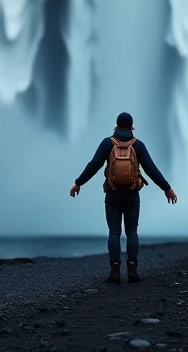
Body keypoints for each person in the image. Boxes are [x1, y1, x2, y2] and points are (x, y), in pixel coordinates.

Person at [70, 111, 178, 284]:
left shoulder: (107, 143)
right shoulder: (138, 145)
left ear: (117, 125)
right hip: (132, 195)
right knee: (132, 231)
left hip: (112, 195)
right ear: (131, 126)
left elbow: (94, 165)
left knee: (114, 231)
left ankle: (114, 272)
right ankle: (132, 270)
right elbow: (151, 169)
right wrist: (167, 188)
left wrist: (78, 183)